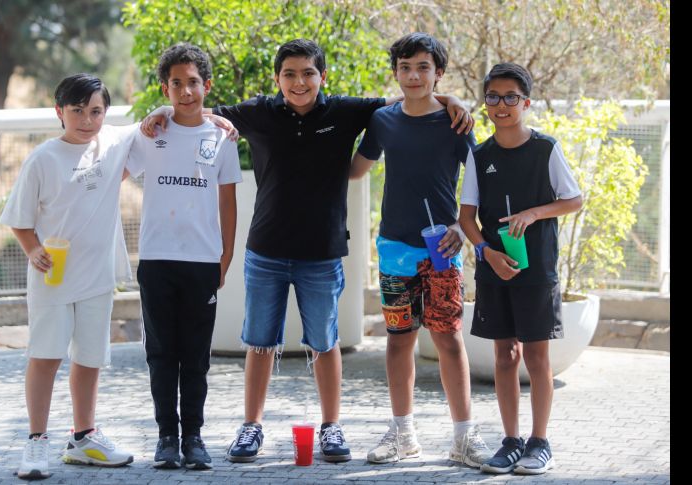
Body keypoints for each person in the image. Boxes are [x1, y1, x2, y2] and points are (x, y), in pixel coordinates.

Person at [142, 38, 472, 464]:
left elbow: (409, 97)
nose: (299, 83)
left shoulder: (348, 112)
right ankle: (251, 426)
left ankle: (331, 427)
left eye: (308, 74)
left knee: (324, 343)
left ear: (323, 77)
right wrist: (163, 110)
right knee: (259, 343)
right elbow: (195, 109)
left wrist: (451, 98)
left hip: (323, 252)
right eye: (290, 74)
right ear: (277, 79)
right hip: (266, 251)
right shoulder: (258, 113)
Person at [348, 32, 492, 468]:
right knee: (398, 340)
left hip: (442, 247)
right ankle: (403, 433)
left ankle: (464, 437)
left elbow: (479, 180)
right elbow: (356, 169)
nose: (414, 75)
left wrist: (460, 227)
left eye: (423, 67)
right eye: (406, 67)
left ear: (438, 73)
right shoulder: (383, 120)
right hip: (394, 247)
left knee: (448, 338)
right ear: (396, 72)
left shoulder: (455, 122)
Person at [0, 73, 136, 479]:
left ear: (105, 114)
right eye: (76, 110)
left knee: (90, 358)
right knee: (45, 357)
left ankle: (83, 438)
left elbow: (154, 121)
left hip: (97, 277)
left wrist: (201, 116)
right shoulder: (42, 157)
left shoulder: (111, 144)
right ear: (60, 112)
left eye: (95, 111)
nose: (86, 119)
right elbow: (19, 219)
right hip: (53, 277)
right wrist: (33, 249)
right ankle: (36, 442)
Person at [458, 62, 582, 475]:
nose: (502, 104)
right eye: (493, 96)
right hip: (495, 267)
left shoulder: (545, 149)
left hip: (537, 269)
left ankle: (539, 442)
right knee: (504, 355)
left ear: (526, 102)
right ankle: (510, 441)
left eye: (511, 97)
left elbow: (573, 200)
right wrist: (486, 252)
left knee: (536, 356)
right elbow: (466, 218)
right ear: (486, 103)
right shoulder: (479, 155)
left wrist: (533, 213)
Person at [126, 43, 242, 470]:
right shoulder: (151, 133)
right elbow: (118, 165)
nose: (186, 91)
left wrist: (225, 256)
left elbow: (227, 201)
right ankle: (166, 438)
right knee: (161, 353)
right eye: (176, 83)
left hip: (202, 262)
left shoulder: (222, 136)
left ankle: (193, 437)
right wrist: (152, 114)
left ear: (206, 85)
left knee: (195, 355)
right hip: (156, 260)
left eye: (193, 82)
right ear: (166, 87)